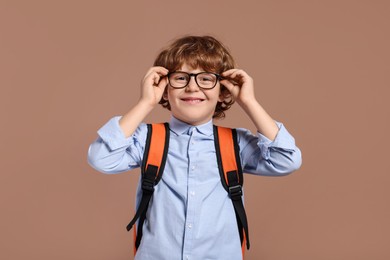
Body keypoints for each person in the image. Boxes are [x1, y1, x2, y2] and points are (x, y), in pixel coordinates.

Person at [87, 35, 302, 260]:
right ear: (164, 87)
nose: (192, 87)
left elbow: (286, 160)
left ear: (223, 90)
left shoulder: (235, 143)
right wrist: (145, 103)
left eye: (206, 79)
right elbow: (101, 158)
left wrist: (249, 102)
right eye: (180, 78)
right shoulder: (147, 139)